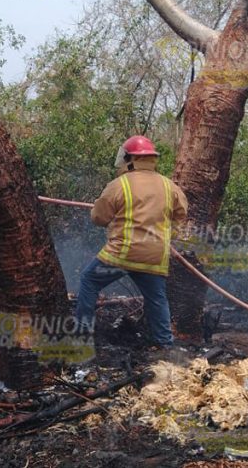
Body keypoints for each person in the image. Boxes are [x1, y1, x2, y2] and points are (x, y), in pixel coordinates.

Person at [74, 135, 188, 347]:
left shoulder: (120, 185)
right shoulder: (169, 186)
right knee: (157, 299)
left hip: (121, 255)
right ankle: (165, 346)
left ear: (130, 159)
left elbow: (99, 218)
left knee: (89, 281)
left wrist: (101, 209)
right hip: (154, 257)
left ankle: (81, 336)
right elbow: (181, 216)